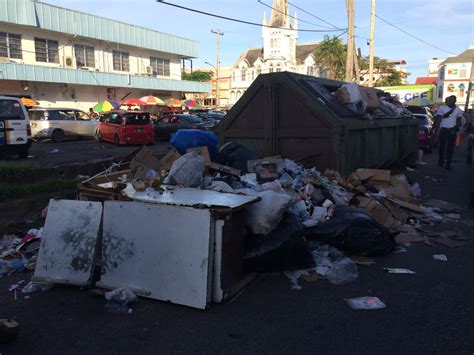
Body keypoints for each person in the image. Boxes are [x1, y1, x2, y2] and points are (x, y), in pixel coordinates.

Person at [435, 95, 465, 170]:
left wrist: (454, 129)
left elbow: (459, 122)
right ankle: (440, 161)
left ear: (454, 101)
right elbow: (439, 119)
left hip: (452, 130)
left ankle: (448, 164)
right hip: (443, 129)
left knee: (450, 148)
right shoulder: (442, 108)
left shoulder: (458, 110)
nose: (448, 102)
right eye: (448, 100)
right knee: (441, 146)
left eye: (450, 100)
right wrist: (437, 130)